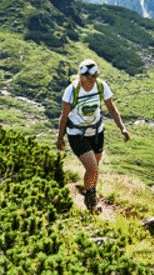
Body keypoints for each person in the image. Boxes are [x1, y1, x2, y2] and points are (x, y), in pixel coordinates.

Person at [55, 59, 130, 212]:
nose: (93, 79)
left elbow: (111, 108)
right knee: (93, 169)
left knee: (94, 168)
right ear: (81, 76)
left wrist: (122, 128)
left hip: (97, 132)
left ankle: (90, 191)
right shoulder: (71, 91)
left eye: (95, 75)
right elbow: (64, 116)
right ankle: (91, 202)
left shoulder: (101, 86)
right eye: (90, 77)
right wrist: (60, 138)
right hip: (77, 134)